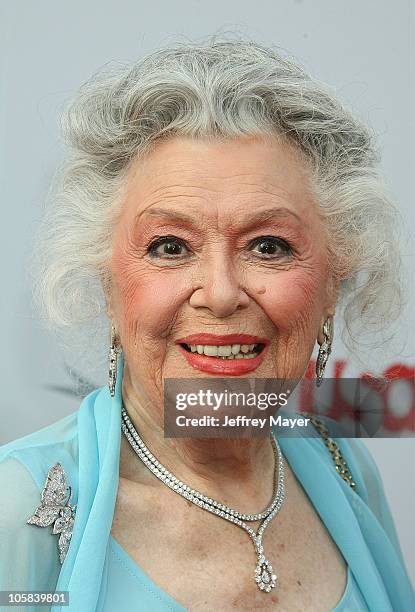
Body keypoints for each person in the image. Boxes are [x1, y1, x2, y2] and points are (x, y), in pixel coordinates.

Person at [1, 38, 414, 612]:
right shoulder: (20, 510)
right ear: (105, 280)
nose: (220, 293)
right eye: (170, 246)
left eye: (269, 246)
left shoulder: (345, 466)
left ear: (333, 281)